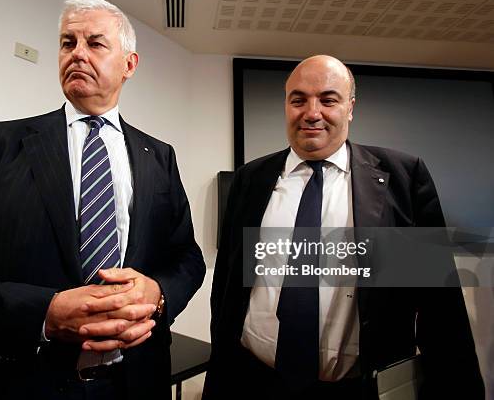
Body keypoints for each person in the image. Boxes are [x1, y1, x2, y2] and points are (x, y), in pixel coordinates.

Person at [0, 0, 205, 400]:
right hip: (20, 383)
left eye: (94, 43)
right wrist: (44, 313)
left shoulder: (159, 156)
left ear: (129, 64)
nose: (77, 54)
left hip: (136, 381)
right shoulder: (0, 143)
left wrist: (158, 294)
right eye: (66, 43)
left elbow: (186, 258)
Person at [203, 55, 484, 399]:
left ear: (350, 107)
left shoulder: (402, 179)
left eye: (328, 99)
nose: (312, 112)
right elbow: (228, 287)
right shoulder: (251, 179)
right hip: (254, 380)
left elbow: (439, 304)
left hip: (358, 388)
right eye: (299, 99)